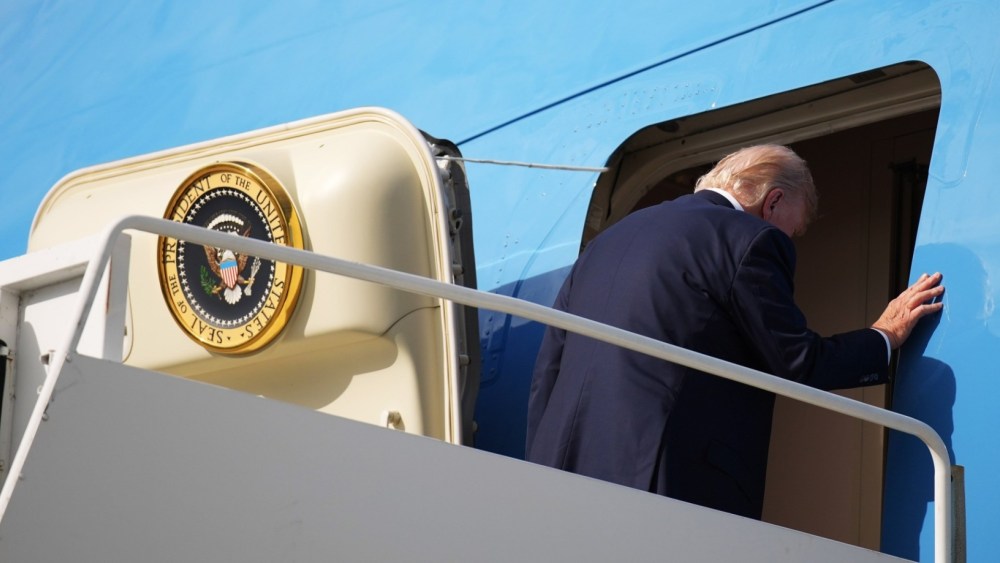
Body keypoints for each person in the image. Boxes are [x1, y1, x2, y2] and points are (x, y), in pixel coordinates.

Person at [524, 144, 944, 519]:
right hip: (669, 480)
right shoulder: (750, 237)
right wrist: (884, 335)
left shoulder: (608, 241)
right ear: (772, 201)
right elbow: (797, 361)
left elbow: (549, 369)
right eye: (792, 230)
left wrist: (538, 465)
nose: (789, 239)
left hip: (563, 470)